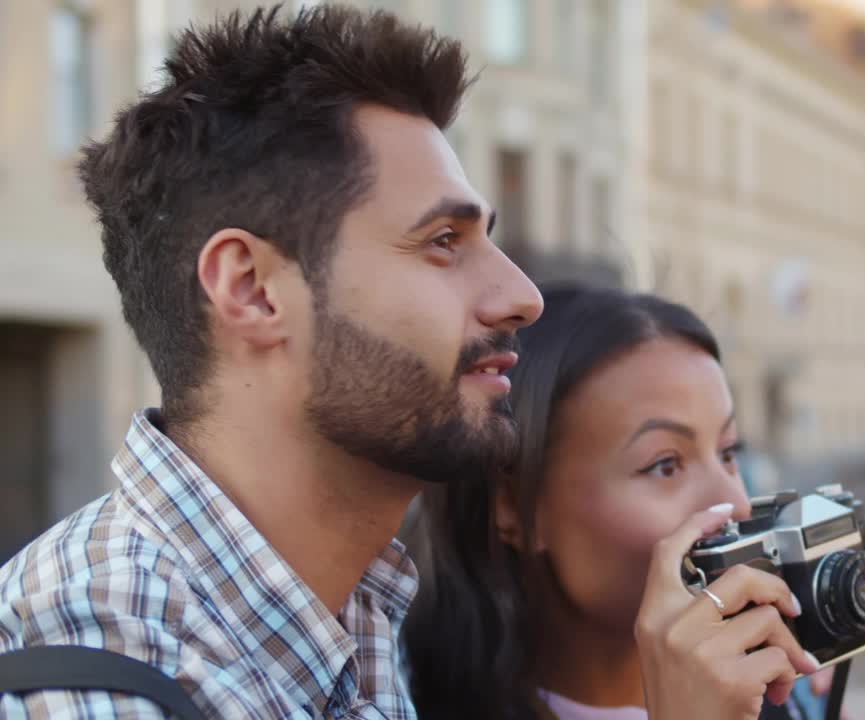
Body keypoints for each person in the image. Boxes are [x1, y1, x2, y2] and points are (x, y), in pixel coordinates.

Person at [0, 5, 543, 717]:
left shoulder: (352, 613)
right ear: (252, 290)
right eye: (443, 240)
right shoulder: (95, 680)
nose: (522, 296)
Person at [404, 286, 865, 720]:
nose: (732, 500)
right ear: (515, 510)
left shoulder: (785, 697)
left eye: (729, 451)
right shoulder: (407, 702)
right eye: (664, 464)